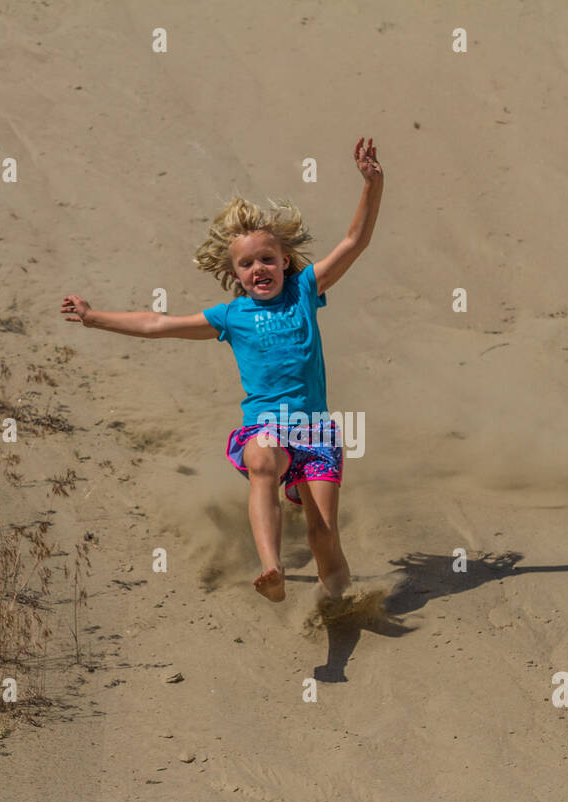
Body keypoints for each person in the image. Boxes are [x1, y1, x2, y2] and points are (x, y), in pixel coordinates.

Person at [62, 137, 383, 603]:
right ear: (235, 275)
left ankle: (337, 603)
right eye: (247, 264)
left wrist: (373, 184)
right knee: (262, 463)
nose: (258, 269)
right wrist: (94, 317)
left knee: (323, 532)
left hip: (314, 429)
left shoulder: (306, 290)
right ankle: (271, 567)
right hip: (266, 425)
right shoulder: (230, 316)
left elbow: (356, 241)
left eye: (267, 259)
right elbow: (157, 323)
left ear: (285, 262)